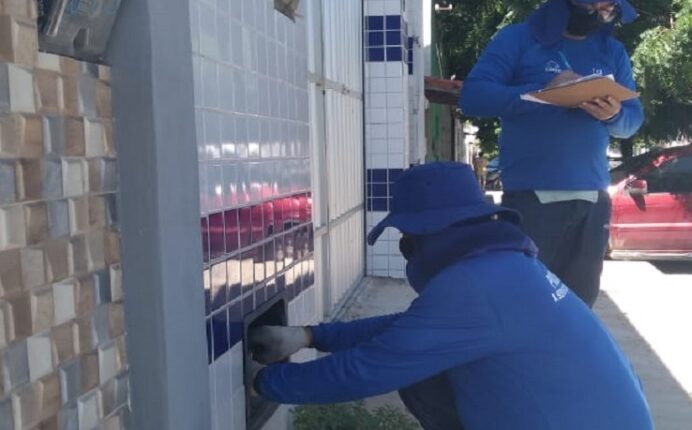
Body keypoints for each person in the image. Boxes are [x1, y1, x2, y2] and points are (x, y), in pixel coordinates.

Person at [246, 162, 653, 430]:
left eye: (407, 239)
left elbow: (371, 368)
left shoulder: (476, 285)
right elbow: (410, 331)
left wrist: (265, 383)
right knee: (422, 362)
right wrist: (309, 336)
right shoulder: (503, 267)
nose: (407, 250)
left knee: (415, 370)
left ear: (431, 232)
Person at [459, 0, 644, 307]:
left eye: (609, 10)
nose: (601, 16)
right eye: (594, 7)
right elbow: (473, 97)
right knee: (528, 301)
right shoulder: (517, 39)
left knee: (580, 306)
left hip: (593, 200)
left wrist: (613, 115)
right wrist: (542, 93)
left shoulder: (612, 51)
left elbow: (632, 122)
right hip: (532, 198)